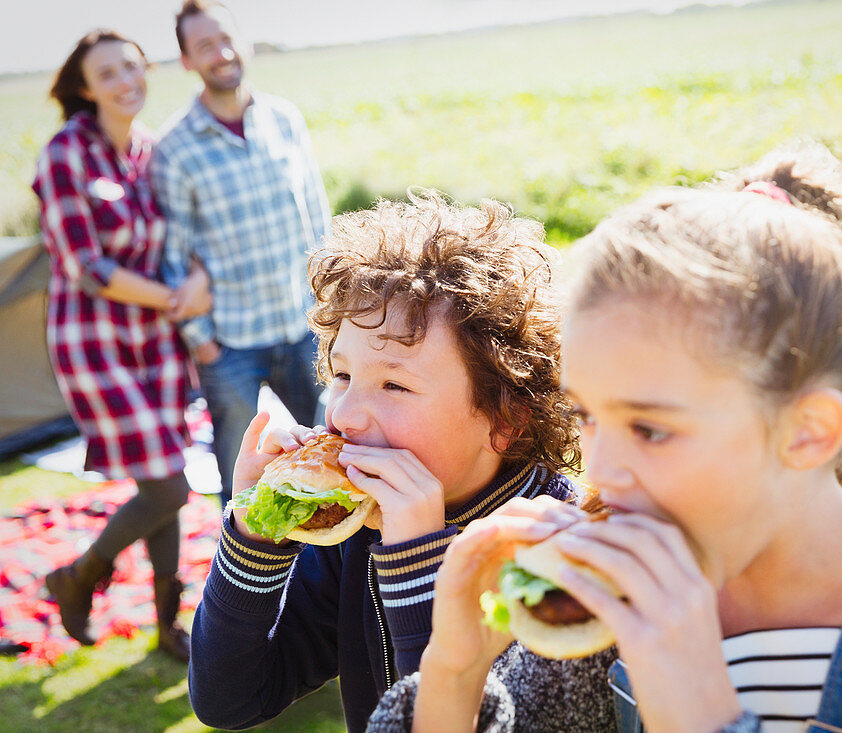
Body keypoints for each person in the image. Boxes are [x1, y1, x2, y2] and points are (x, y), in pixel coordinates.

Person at [369, 143, 842, 732]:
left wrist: (695, 699)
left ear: (806, 431)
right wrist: (455, 669)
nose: (601, 472)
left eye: (650, 427)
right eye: (587, 416)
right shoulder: (599, 608)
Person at [187, 191, 585, 732]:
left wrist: (418, 564)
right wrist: (254, 533)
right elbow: (230, 700)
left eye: (394, 383)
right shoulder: (357, 526)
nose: (344, 414)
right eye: (343, 374)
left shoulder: (561, 560)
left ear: (506, 419)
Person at [33, 29, 212, 662]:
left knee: (161, 474)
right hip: (95, 339)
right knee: (167, 487)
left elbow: (183, 236)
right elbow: (84, 265)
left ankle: (167, 627)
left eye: (131, 67)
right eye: (107, 73)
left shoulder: (151, 150)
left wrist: (194, 280)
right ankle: (79, 575)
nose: (123, 81)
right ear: (85, 87)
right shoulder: (65, 154)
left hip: (156, 341)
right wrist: (171, 297)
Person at [151, 0, 330, 506]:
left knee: (331, 456)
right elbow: (172, 257)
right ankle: (245, 574)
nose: (222, 53)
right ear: (187, 60)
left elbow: (317, 221)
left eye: (227, 38)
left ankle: (330, 571)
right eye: (205, 46)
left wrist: (331, 311)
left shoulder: (284, 120)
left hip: (303, 327)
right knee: (240, 479)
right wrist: (201, 342)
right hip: (231, 343)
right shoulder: (175, 148)